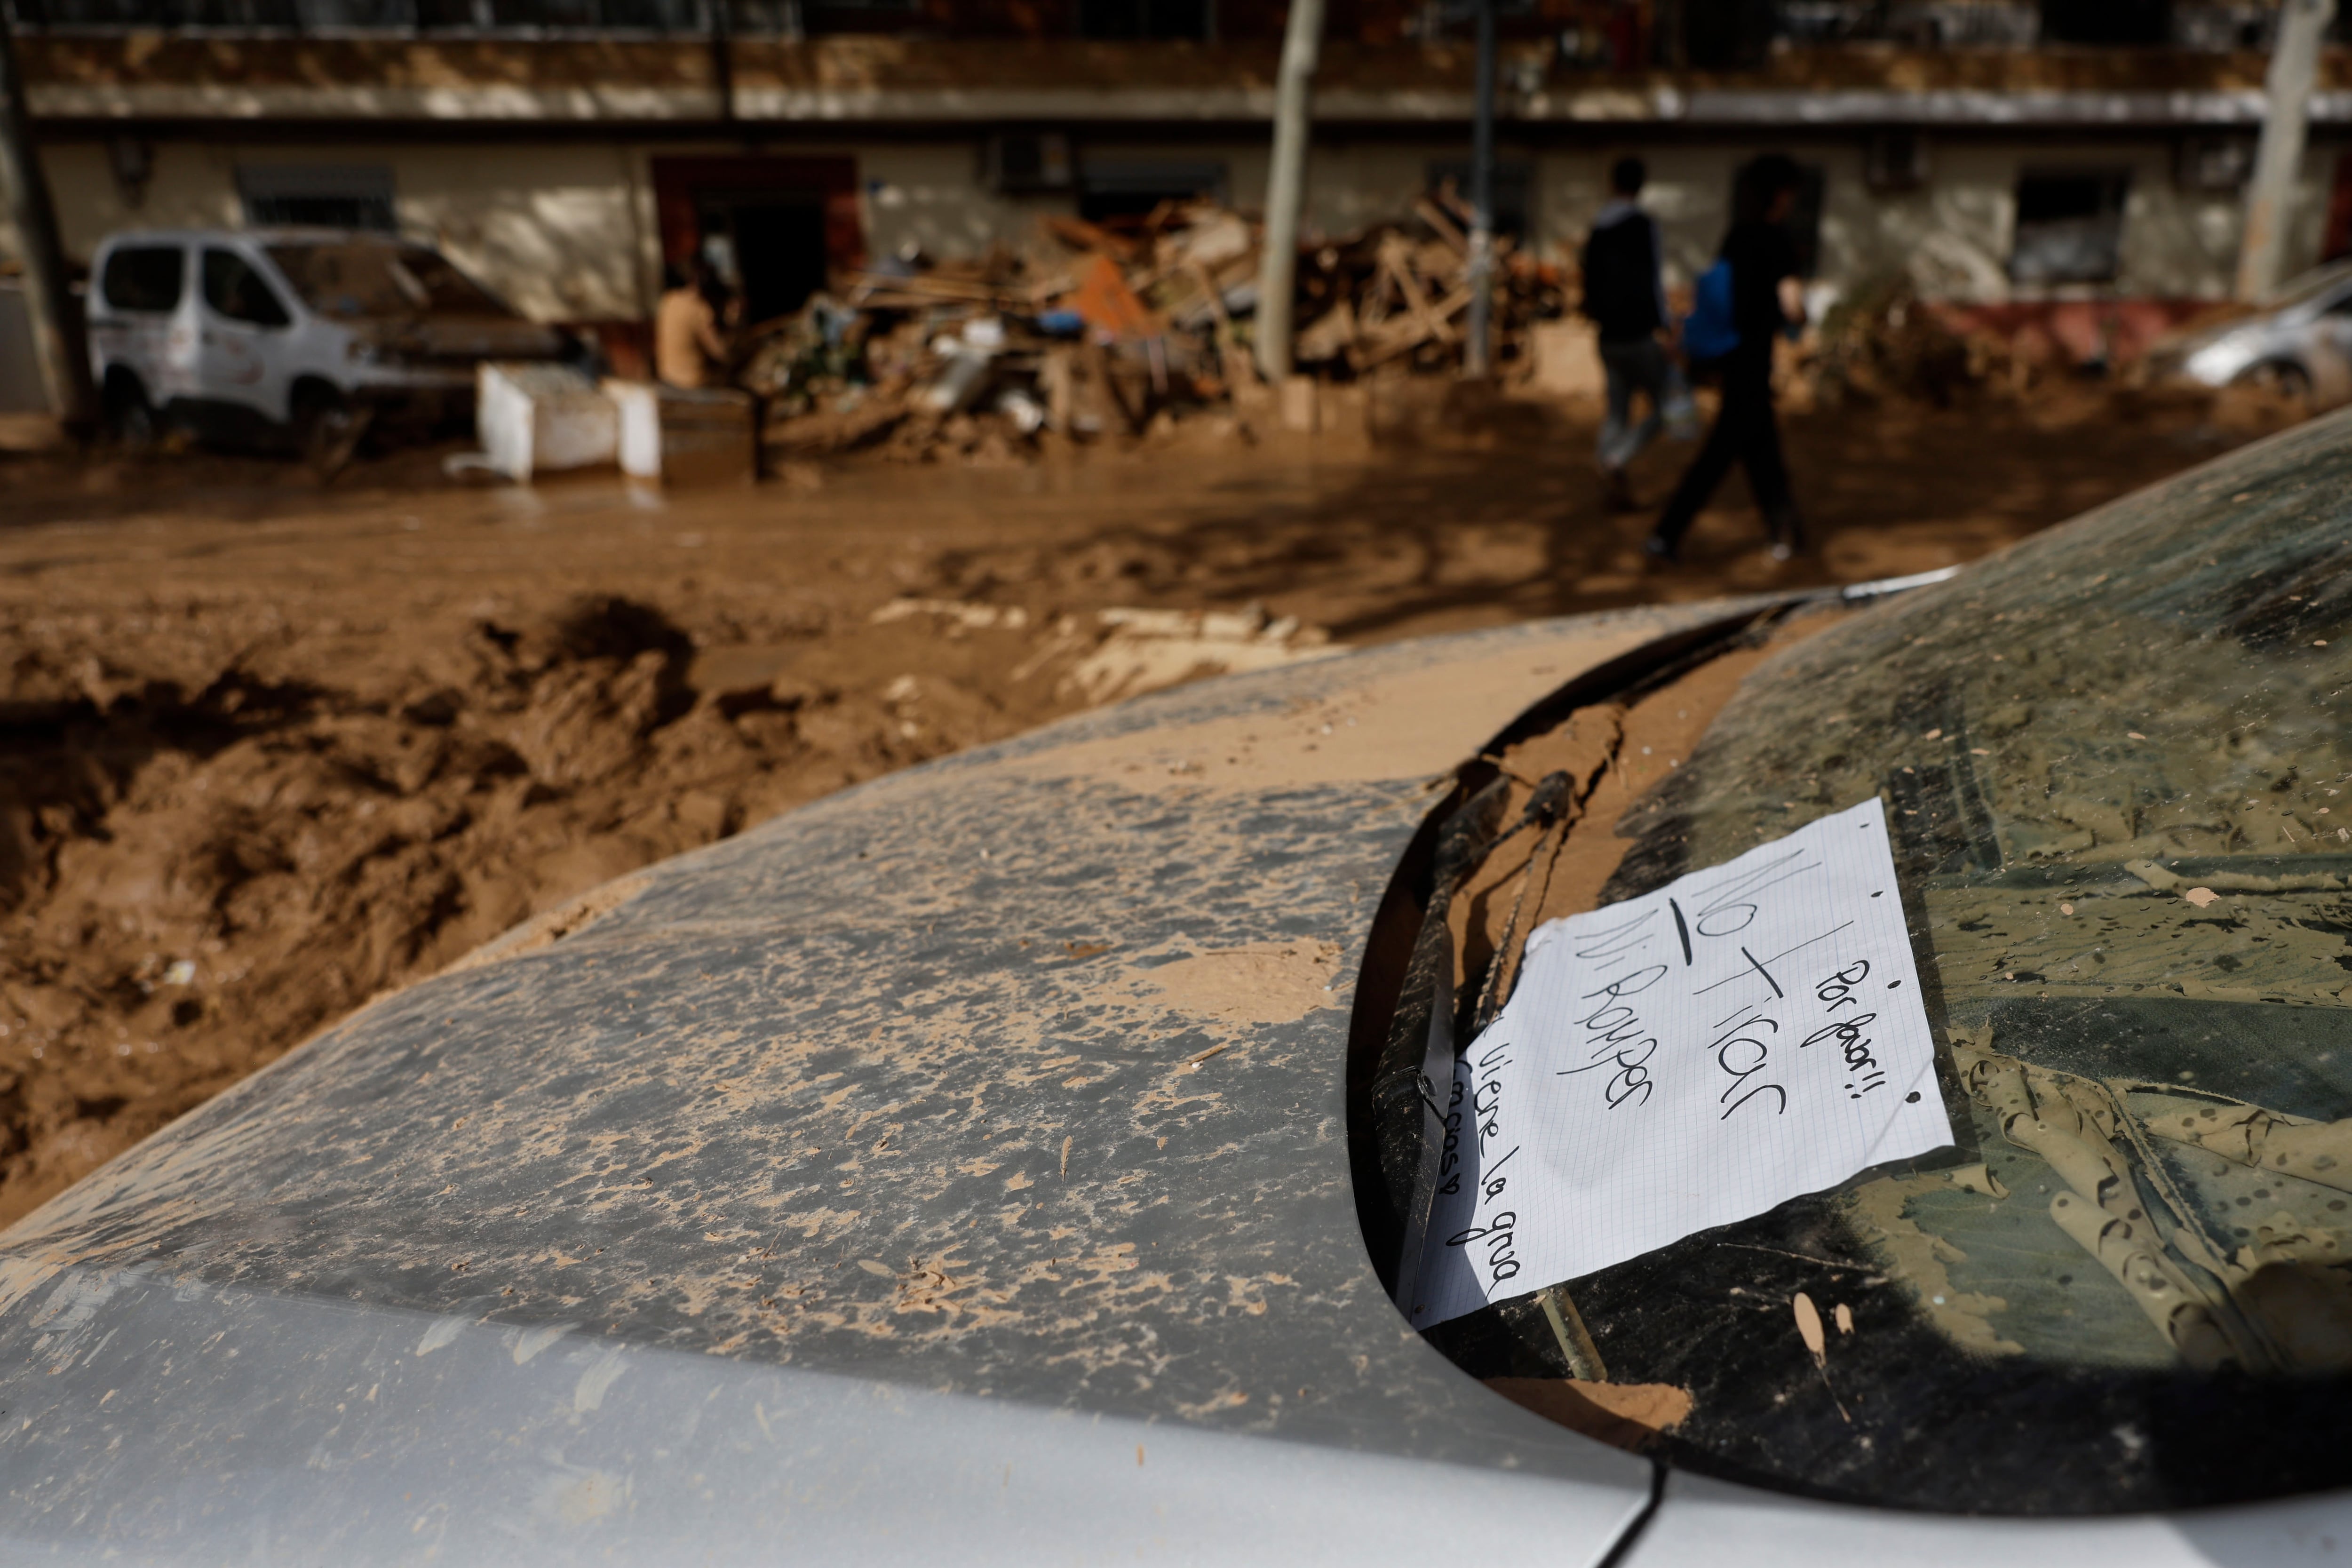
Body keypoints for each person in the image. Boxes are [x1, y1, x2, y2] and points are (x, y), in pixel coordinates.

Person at [1646, 154, 1808, 565]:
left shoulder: (1738, 235)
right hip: (1753, 362)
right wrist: (1799, 319)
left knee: (1761, 450)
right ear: (1781, 194)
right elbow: (1792, 307)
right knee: (1723, 454)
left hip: (1729, 357)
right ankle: (1665, 536)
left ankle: (1786, 531)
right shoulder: (1778, 241)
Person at [1580, 155, 1694, 509]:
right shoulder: (1644, 226)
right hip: (1639, 337)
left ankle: (1612, 479)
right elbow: (1654, 281)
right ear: (1641, 186)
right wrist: (1667, 328)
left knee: (1617, 411)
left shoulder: (1597, 229)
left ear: (1613, 184)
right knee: (1670, 406)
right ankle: (1615, 460)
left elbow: (1589, 282)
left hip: (1607, 337)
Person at [655, 256, 731, 390]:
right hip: (692, 382)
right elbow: (720, 352)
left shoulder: (669, 300)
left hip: (667, 376)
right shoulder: (700, 309)